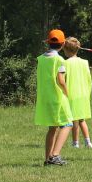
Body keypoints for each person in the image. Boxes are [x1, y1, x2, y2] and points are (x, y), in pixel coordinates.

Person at [35, 29, 74, 166]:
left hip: (45, 98)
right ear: (63, 44)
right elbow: (61, 80)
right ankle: (55, 155)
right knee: (68, 123)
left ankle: (47, 159)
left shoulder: (40, 59)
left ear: (48, 43)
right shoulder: (59, 60)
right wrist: (67, 92)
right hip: (57, 97)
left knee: (53, 127)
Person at [62, 37, 92, 149]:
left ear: (66, 50)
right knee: (82, 120)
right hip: (83, 95)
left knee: (73, 121)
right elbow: (89, 79)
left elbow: (63, 80)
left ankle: (75, 143)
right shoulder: (85, 63)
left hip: (71, 95)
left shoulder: (65, 63)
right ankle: (88, 141)